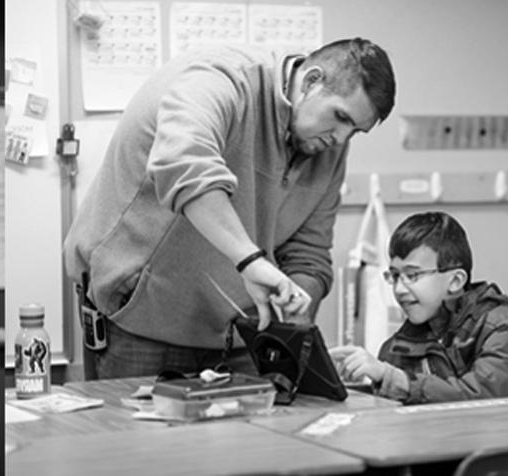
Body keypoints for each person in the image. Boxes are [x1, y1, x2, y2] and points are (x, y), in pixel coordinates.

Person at [63, 38, 396, 379]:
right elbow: (186, 166)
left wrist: (296, 306)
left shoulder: (329, 147)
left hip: (238, 333)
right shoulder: (220, 79)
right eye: (340, 117)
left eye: (355, 130)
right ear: (311, 81)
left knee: (255, 431)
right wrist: (251, 261)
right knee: (131, 431)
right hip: (137, 320)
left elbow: (309, 252)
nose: (340, 139)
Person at [329, 212, 508, 404]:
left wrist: (392, 378)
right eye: (395, 276)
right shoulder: (397, 346)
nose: (399, 289)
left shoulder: (503, 327)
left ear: (455, 281)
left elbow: (481, 398)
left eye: (413, 275)